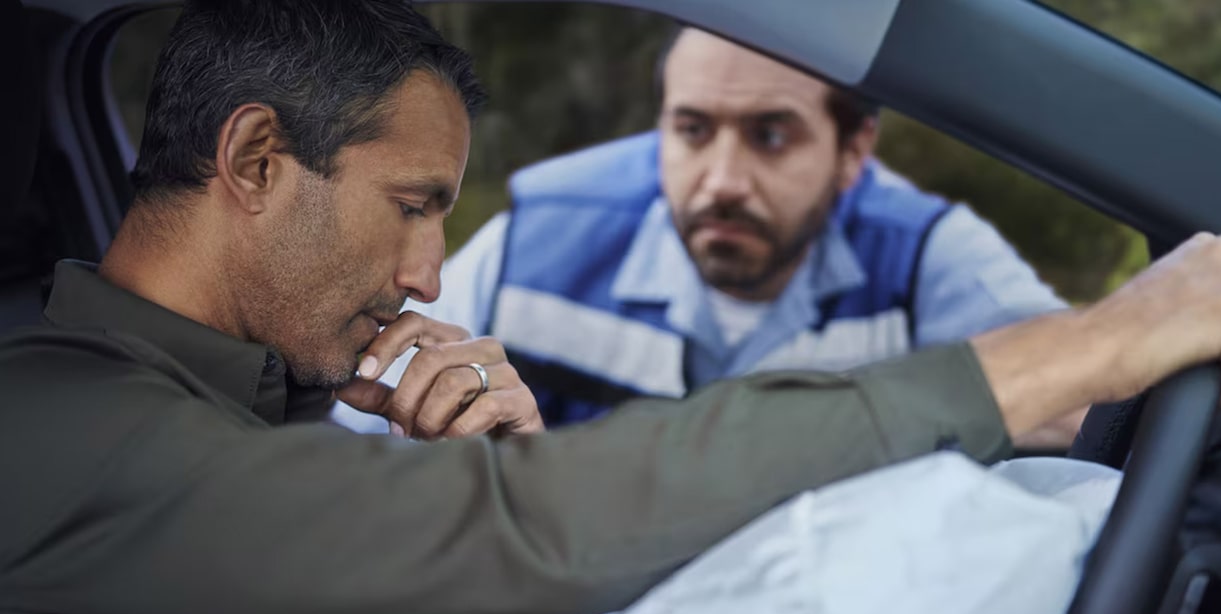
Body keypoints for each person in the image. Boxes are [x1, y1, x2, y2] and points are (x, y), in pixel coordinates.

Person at [3, 1, 1221, 614]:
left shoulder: (241, 404)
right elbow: (531, 529)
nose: (432, 274)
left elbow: (498, 538)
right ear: (257, 160)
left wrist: (489, 481)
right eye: (409, 205)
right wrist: (1080, 346)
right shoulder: (58, 427)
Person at [333, 28, 1069, 434]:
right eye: (692, 130)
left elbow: (1083, 409)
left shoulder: (922, 255)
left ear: (853, 154)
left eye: (771, 136)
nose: (721, 180)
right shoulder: (541, 240)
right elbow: (363, 433)